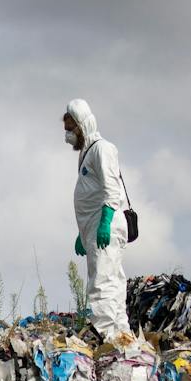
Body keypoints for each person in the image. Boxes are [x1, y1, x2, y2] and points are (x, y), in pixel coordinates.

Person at [63, 98, 131, 338]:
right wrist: (83, 232)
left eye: (70, 129)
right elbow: (91, 193)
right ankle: (120, 334)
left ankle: (105, 333)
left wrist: (104, 222)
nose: (67, 135)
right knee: (112, 279)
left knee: (103, 282)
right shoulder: (87, 153)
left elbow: (112, 188)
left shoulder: (103, 149)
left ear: (81, 125)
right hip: (94, 226)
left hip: (106, 225)